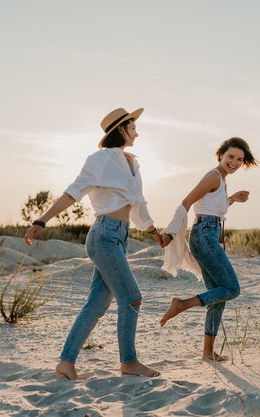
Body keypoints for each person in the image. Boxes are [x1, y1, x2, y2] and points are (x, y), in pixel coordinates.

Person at [24, 107, 162, 379]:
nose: (137, 131)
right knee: (132, 298)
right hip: (104, 235)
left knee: (97, 304)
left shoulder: (133, 162)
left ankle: (66, 363)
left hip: (120, 236)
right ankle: (129, 362)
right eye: (133, 127)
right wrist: (41, 220)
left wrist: (154, 232)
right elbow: (73, 192)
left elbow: (138, 204)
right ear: (121, 129)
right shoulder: (100, 159)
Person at [159, 137, 258, 361]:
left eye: (240, 159)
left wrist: (231, 199)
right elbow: (186, 202)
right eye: (230, 156)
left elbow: (212, 207)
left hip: (208, 233)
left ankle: (207, 352)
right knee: (232, 289)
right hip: (205, 236)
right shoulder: (213, 175)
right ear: (221, 155)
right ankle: (181, 304)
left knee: (218, 297)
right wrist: (170, 231)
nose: (234, 162)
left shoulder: (222, 180)